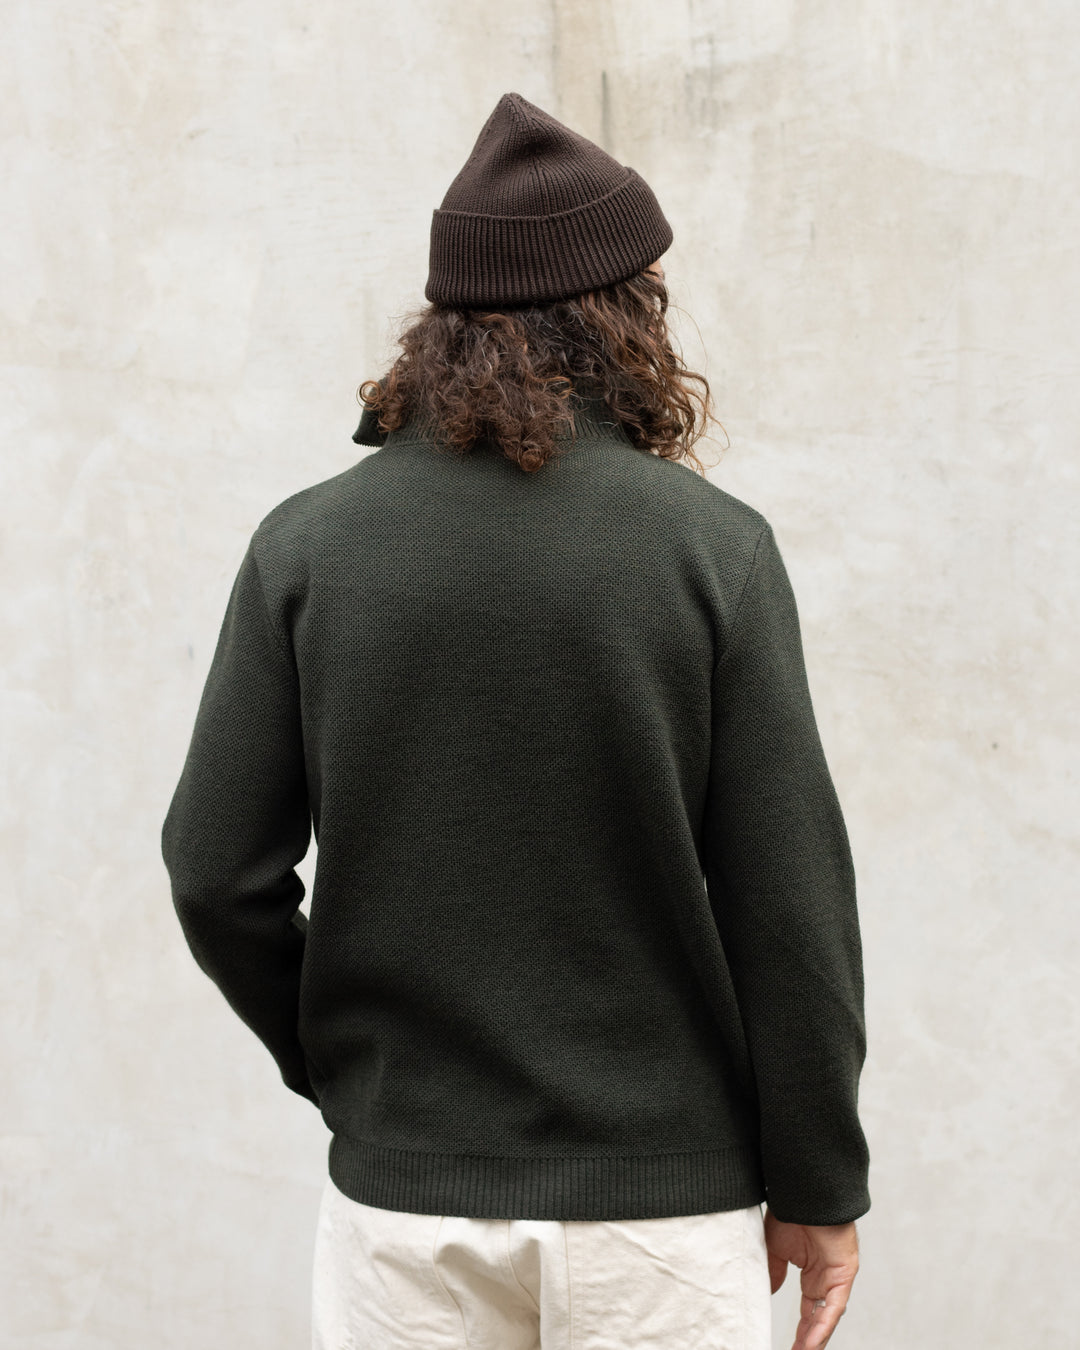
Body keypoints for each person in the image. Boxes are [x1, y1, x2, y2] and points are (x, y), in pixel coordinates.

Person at [161, 91, 870, 1350]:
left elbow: (214, 872)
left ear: (441, 327)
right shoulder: (711, 551)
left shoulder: (308, 547)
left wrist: (356, 1073)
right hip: (662, 1217)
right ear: (625, 315)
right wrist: (818, 1182)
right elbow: (790, 906)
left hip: (405, 1214)